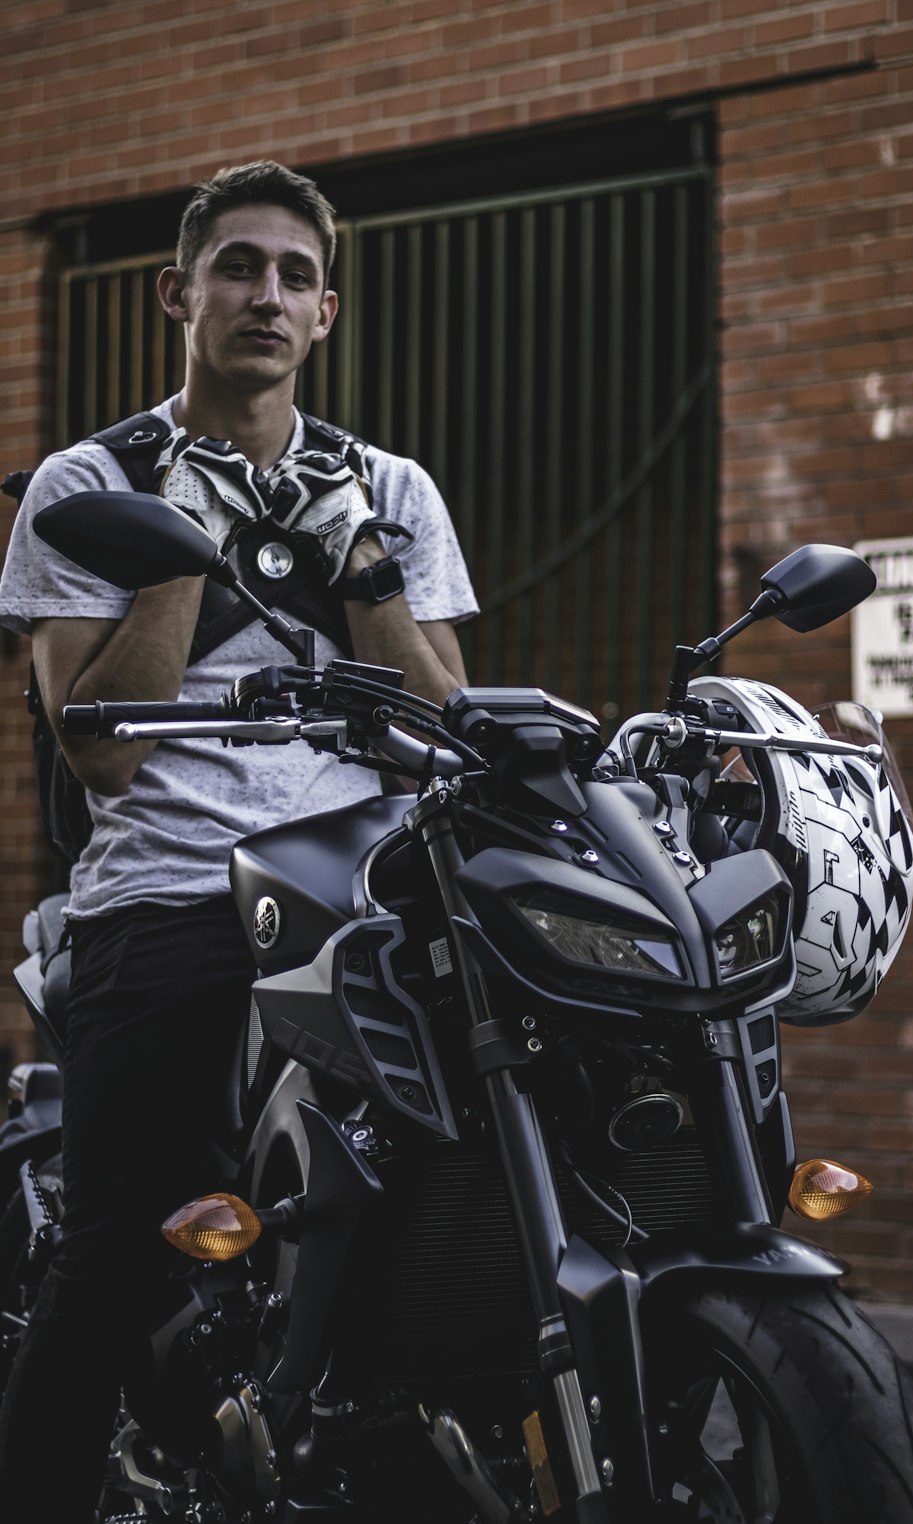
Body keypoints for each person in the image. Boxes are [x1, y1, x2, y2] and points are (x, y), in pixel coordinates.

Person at [0, 160, 477, 1520]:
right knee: (104, 1266)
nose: (265, 294)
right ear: (179, 294)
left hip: (376, 894)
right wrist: (179, 545)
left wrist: (360, 566)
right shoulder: (94, 480)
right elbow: (96, 741)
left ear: (326, 312)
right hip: (174, 892)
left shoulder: (388, 485)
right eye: (237, 268)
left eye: (293, 276)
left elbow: (446, 722)